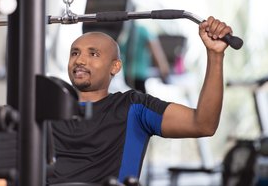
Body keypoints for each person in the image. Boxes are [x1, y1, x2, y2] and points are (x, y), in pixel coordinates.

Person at [47, 16, 232, 185]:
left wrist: (215, 55)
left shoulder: (133, 107)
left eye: (93, 54)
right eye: (75, 53)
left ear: (115, 66)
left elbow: (203, 124)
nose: (80, 60)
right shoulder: (47, 109)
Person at [120, 22, 170, 93]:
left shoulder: (123, 33)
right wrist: (163, 70)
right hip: (140, 74)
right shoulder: (142, 30)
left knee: (131, 98)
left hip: (126, 75)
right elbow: (156, 51)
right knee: (140, 101)